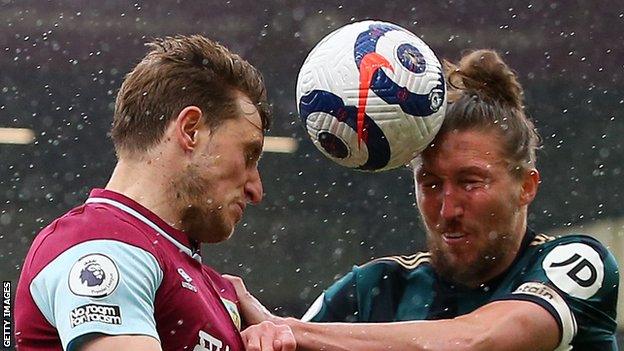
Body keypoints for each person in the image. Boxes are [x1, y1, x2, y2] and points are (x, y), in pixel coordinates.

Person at [226, 49, 619, 350]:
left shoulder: (577, 262)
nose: (448, 210)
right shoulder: (372, 288)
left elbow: (478, 340)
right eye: (430, 184)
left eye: (471, 182)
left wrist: (295, 331)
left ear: (527, 187)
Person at [15, 35, 295, 351]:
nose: (255, 189)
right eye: (248, 155)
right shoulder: (102, 248)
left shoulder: (215, 288)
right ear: (191, 131)